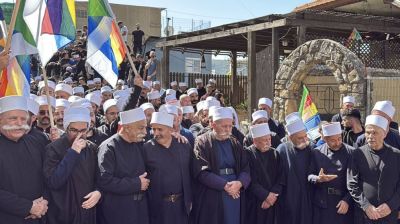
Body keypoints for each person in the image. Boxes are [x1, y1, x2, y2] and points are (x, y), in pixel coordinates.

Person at [193, 107, 251, 224]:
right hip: (214, 191)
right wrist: (225, 185)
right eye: (224, 126)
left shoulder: (235, 143)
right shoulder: (202, 142)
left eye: (230, 126)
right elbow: (201, 171)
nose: (228, 129)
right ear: (213, 124)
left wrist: (239, 183)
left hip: (235, 191)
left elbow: (246, 168)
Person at [43, 107, 101, 224]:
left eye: (83, 131)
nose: (79, 135)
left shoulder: (92, 148)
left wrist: (98, 192)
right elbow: (53, 182)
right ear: (66, 128)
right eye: (74, 130)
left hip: (87, 212)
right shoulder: (53, 148)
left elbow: (99, 178)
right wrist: (73, 152)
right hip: (63, 215)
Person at [0, 96, 49, 223]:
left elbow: (48, 175)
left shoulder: (37, 142)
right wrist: (28, 207)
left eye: (23, 118)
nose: (20, 123)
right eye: (13, 118)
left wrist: (42, 203)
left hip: (38, 216)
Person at [97, 108, 150, 224]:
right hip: (118, 213)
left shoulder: (139, 144)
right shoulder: (109, 148)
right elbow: (105, 181)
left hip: (140, 211)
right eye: (141, 128)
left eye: (145, 127)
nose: (145, 132)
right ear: (127, 128)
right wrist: (136, 184)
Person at [348, 115, 400, 224]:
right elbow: (352, 183)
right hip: (364, 215)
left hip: (389, 215)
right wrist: (366, 206)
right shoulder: (358, 154)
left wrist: (391, 205)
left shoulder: (396, 155)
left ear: (384, 134)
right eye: (367, 132)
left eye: (375, 133)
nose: (370, 136)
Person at [143, 112, 194, 224]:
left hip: (181, 207)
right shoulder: (146, 148)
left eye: (160, 129)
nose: (156, 133)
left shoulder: (184, 145)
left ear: (171, 129)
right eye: (153, 129)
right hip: (158, 208)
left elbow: (192, 173)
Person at [308, 122, 354, 224]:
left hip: (342, 203)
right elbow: (309, 175)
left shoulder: (351, 152)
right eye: (333, 140)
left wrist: (347, 200)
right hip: (322, 204)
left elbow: (357, 180)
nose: (337, 143)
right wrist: (318, 179)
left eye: (339, 138)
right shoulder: (316, 152)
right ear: (325, 139)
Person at [276, 112, 313, 224]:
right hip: (288, 198)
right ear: (291, 137)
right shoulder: (282, 150)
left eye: (305, 136)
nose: (304, 140)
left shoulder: (311, 149)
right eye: (300, 138)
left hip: (308, 198)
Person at [245, 123, 284, 224]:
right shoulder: (247, 154)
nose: (268, 143)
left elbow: (281, 178)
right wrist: (266, 196)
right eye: (264, 140)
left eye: (269, 139)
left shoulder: (275, 153)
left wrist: (273, 196)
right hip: (255, 201)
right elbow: (250, 180)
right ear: (255, 141)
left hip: (273, 201)